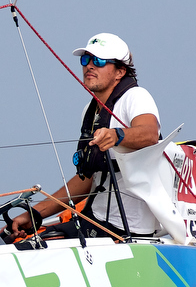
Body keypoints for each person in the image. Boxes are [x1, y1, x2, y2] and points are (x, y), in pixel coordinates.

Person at [9, 32, 161, 240]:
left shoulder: (135, 97)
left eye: (98, 61)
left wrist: (117, 135)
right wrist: (35, 213)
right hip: (96, 219)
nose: (89, 66)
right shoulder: (89, 112)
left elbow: (150, 133)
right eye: (85, 60)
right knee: (14, 239)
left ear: (120, 72)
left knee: (42, 245)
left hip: (126, 230)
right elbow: (88, 179)